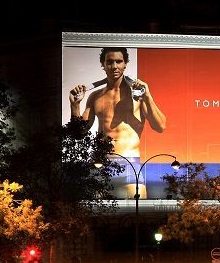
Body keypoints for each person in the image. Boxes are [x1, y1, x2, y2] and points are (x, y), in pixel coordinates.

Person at [68, 47, 168, 199]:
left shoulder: (138, 95)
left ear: (125, 63)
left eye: (118, 61)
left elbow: (160, 127)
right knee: (96, 218)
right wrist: (75, 106)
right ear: (103, 64)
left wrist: (148, 97)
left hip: (129, 162)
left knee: (137, 217)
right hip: (101, 162)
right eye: (109, 62)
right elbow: (78, 134)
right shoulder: (95, 96)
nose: (114, 66)